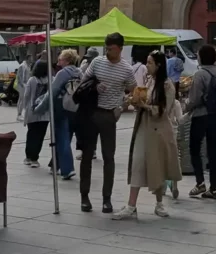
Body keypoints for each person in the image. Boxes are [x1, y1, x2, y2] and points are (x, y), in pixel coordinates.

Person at [113, 51, 182, 220]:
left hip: (158, 131)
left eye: (150, 63)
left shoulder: (167, 85)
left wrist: (144, 105)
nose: (147, 65)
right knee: (137, 163)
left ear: (159, 65)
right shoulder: (148, 81)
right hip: (144, 128)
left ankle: (159, 203)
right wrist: (135, 101)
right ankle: (131, 205)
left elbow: (162, 110)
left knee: (157, 165)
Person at [82, 32, 137, 213]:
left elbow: (134, 91)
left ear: (120, 48)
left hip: (109, 116)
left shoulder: (126, 69)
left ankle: (107, 198)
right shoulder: (97, 62)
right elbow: (83, 82)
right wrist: (95, 86)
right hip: (92, 113)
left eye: (111, 48)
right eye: (106, 47)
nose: (107, 51)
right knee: (87, 156)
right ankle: (85, 196)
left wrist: (121, 106)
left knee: (108, 158)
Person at [185, 43, 216, 199]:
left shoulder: (199, 74)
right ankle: (215, 188)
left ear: (201, 57)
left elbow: (195, 98)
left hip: (201, 115)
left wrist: (186, 106)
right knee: (213, 151)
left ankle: (200, 182)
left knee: (195, 149)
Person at [43, 49, 81, 181]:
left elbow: (52, 92)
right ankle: (55, 164)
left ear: (67, 60)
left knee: (62, 139)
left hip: (62, 107)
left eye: (61, 58)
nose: (58, 60)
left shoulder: (62, 73)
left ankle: (67, 169)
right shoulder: (79, 72)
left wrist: (40, 106)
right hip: (75, 108)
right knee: (66, 137)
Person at [22, 60, 50, 167]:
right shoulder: (50, 80)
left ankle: (28, 157)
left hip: (32, 112)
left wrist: (26, 108)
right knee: (40, 136)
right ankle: (35, 159)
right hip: (45, 114)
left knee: (31, 134)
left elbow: (26, 96)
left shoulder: (32, 80)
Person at [16, 54, 32, 120]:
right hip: (22, 85)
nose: (32, 59)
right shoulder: (23, 66)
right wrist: (23, 85)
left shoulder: (27, 66)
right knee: (22, 100)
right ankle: (19, 114)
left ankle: (19, 114)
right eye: (31, 58)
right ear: (28, 58)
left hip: (25, 84)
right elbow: (20, 77)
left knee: (21, 100)